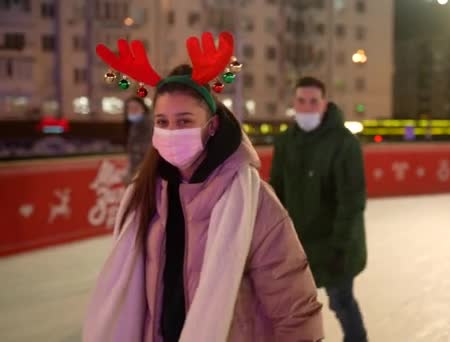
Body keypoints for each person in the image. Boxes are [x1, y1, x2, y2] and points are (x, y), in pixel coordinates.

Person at [84, 32, 323, 342]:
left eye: (184, 121)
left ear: (211, 126)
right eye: (163, 122)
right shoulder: (144, 196)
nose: (172, 132)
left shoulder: (251, 199)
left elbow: (292, 299)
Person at [270, 77, 368, 342]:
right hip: (297, 245)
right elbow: (276, 193)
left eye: (314, 101)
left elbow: (352, 200)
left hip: (336, 246)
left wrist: (339, 248)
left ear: (324, 104)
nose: (307, 107)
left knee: (341, 301)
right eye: (301, 100)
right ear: (294, 103)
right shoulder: (285, 142)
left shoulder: (344, 143)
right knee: (296, 310)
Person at [123, 96, 153, 183]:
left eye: (135, 108)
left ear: (143, 108)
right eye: (129, 108)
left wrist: (136, 172)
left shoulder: (146, 124)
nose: (132, 110)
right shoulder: (134, 125)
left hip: (143, 169)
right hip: (137, 168)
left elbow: (147, 149)